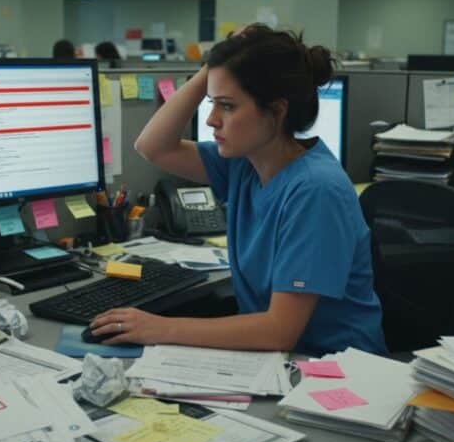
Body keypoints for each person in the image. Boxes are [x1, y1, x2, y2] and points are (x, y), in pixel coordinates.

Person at [89, 25, 386, 356]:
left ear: (277, 110)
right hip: (273, 365)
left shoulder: (316, 190)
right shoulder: (245, 164)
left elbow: (279, 332)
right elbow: (152, 147)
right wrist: (219, 64)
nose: (212, 120)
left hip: (333, 375)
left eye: (227, 106)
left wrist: (160, 327)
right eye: (212, 103)